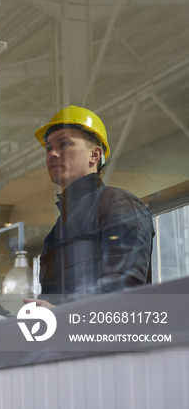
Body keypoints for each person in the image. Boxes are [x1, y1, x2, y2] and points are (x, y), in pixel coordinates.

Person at [32, 106, 154, 306]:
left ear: (95, 155)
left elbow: (123, 284)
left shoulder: (117, 205)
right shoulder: (56, 232)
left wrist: (61, 314)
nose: (52, 154)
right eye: (48, 148)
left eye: (63, 144)